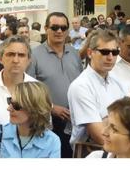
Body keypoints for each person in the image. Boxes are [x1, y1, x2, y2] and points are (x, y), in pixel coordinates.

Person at [27, 12, 83, 158]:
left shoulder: (74, 53)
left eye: (63, 28)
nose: (59, 31)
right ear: (46, 28)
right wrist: (51, 107)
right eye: (55, 27)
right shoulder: (34, 55)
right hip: (49, 122)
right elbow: (29, 90)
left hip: (76, 119)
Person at [68, 29, 130, 150]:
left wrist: (107, 120)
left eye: (115, 52)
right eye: (105, 52)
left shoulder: (118, 81)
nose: (110, 57)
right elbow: (99, 135)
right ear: (90, 53)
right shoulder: (81, 86)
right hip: (93, 153)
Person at [0, 81, 61, 158]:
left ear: (34, 109)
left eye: (16, 105)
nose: (9, 108)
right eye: (10, 101)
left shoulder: (52, 141)